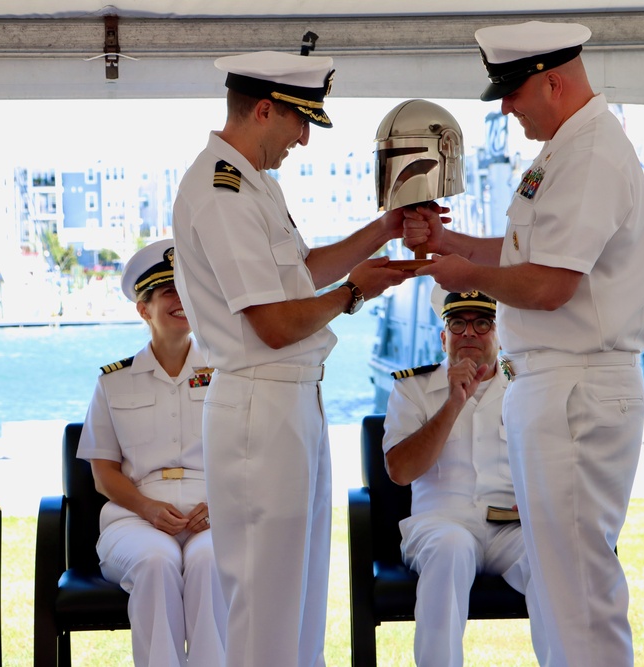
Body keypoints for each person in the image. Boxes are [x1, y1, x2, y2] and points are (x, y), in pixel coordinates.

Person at [171, 50, 444, 666]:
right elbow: (270, 324)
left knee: (298, 595)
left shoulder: (253, 180)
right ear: (264, 110)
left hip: (288, 400)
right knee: (266, 604)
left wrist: (385, 229)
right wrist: (354, 294)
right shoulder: (223, 189)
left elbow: (298, 274)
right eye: (299, 123)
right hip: (260, 404)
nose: (302, 139)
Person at [406, 21, 644, 667]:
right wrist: (452, 246)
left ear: (553, 79)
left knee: (576, 590)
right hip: (555, 385)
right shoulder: (568, 149)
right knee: (560, 587)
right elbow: (530, 254)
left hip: (575, 386)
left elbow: (550, 286)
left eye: (514, 90)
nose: (506, 106)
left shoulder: (591, 153)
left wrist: (467, 276)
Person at [76, 239, 227, 667]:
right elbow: (103, 472)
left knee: (209, 563)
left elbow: (247, 454)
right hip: (135, 519)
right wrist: (147, 507)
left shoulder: (228, 374)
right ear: (144, 310)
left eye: (187, 289)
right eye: (168, 292)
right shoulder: (113, 382)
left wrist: (218, 505)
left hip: (211, 514)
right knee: (157, 562)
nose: (181, 301)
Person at [383, 289, 543, 667]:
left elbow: (550, 459)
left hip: (511, 527)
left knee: (553, 558)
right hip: (441, 524)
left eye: (482, 323)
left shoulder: (526, 387)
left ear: (499, 333)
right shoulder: (412, 389)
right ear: (444, 337)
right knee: (450, 548)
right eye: (458, 323)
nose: (469, 332)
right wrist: (453, 401)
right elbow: (400, 471)